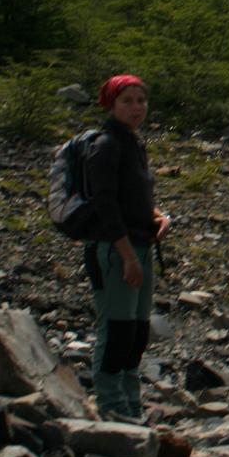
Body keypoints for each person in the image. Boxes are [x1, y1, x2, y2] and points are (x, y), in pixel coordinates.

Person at [82, 74, 170, 421]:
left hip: (141, 245)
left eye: (141, 100)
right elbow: (105, 206)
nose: (137, 107)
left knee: (136, 331)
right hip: (115, 250)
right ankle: (110, 405)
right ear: (111, 104)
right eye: (127, 101)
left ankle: (130, 401)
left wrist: (159, 216)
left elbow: (134, 197)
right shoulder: (105, 145)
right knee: (116, 329)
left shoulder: (134, 143)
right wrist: (128, 256)